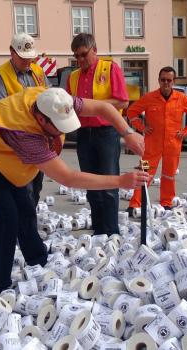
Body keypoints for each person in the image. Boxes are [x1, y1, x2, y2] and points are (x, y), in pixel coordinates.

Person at [0, 87, 147, 295]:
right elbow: (67, 177)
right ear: (42, 120)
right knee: (7, 217)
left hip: (6, 151)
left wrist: (128, 133)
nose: (62, 132)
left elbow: (104, 107)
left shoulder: (57, 100)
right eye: (59, 127)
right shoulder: (25, 135)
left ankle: (37, 260)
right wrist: (121, 180)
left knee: (25, 207)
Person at [66, 33, 129, 236]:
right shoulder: (73, 77)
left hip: (106, 133)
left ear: (94, 50)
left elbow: (122, 102)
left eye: (84, 54)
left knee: (110, 184)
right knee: (91, 184)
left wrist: (96, 107)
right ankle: (99, 230)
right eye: (76, 56)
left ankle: (111, 232)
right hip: (84, 134)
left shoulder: (110, 68)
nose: (80, 60)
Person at [125, 67, 187, 214]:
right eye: (163, 80)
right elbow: (131, 111)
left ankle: (166, 202)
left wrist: (186, 131)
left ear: (174, 81)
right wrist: (142, 127)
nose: (166, 83)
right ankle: (135, 204)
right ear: (159, 80)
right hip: (152, 144)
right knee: (144, 172)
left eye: (169, 80)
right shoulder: (149, 97)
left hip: (173, 144)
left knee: (169, 175)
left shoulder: (181, 98)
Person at [0, 33, 50, 205]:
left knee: (36, 187)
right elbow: (1, 112)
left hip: (38, 139)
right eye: (23, 58)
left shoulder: (38, 71)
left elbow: (49, 97)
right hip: (15, 142)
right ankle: (22, 226)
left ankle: (28, 223)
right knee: (21, 189)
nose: (27, 62)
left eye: (30, 58)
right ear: (11, 52)